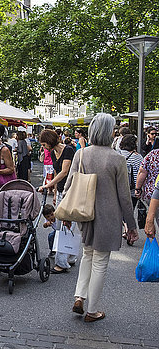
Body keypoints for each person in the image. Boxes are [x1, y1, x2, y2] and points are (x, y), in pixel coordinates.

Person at [67, 113, 137, 322]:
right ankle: (92, 310)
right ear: (110, 132)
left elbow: (70, 184)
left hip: (84, 212)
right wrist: (131, 225)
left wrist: (66, 212)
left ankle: (79, 296)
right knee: (100, 262)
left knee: (87, 254)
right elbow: (125, 197)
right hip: (108, 216)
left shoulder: (81, 154)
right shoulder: (117, 158)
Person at [38, 129, 76, 273]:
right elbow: (55, 171)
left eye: (44, 144)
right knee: (67, 226)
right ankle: (70, 257)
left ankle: (61, 263)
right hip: (61, 191)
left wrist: (47, 185)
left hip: (70, 191)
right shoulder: (53, 152)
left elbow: (65, 171)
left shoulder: (69, 150)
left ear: (50, 141)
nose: (43, 147)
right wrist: (54, 191)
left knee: (63, 226)